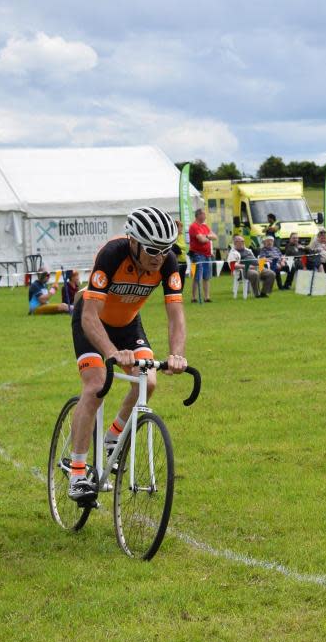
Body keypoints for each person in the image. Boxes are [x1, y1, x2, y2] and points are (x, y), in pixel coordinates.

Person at [67, 206, 187, 503]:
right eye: (151, 249)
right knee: (95, 387)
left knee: (148, 381)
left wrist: (177, 354)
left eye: (165, 250)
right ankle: (77, 472)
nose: (158, 257)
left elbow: (176, 315)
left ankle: (112, 438)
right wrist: (110, 352)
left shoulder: (167, 262)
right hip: (92, 321)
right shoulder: (112, 254)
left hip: (128, 323)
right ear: (133, 242)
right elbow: (90, 316)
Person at [187, 208, 217, 303]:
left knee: (206, 276)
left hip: (207, 254)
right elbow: (201, 240)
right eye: (204, 214)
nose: (205, 216)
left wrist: (206, 236)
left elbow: (215, 236)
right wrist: (208, 237)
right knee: (197, 276)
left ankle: (207, 297)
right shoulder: (193, 226)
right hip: (197, 254)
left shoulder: (205, 226)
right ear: (199, 215)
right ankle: (194, 297)